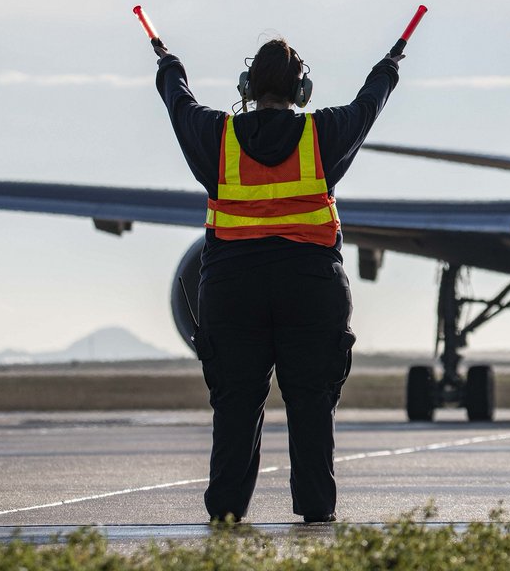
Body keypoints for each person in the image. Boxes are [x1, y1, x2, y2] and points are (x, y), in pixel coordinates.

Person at [151, 30, 402, 523]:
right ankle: (315, 511)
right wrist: (389, 67)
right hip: (310, 290)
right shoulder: (322, 134)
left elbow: (179, 104)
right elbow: (368, 106)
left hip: (232, 292)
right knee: (311, 403)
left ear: (247, 86)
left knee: (236, 404)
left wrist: (168, 63)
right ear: (301, 91)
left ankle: (225, 511)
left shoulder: (217, 136)